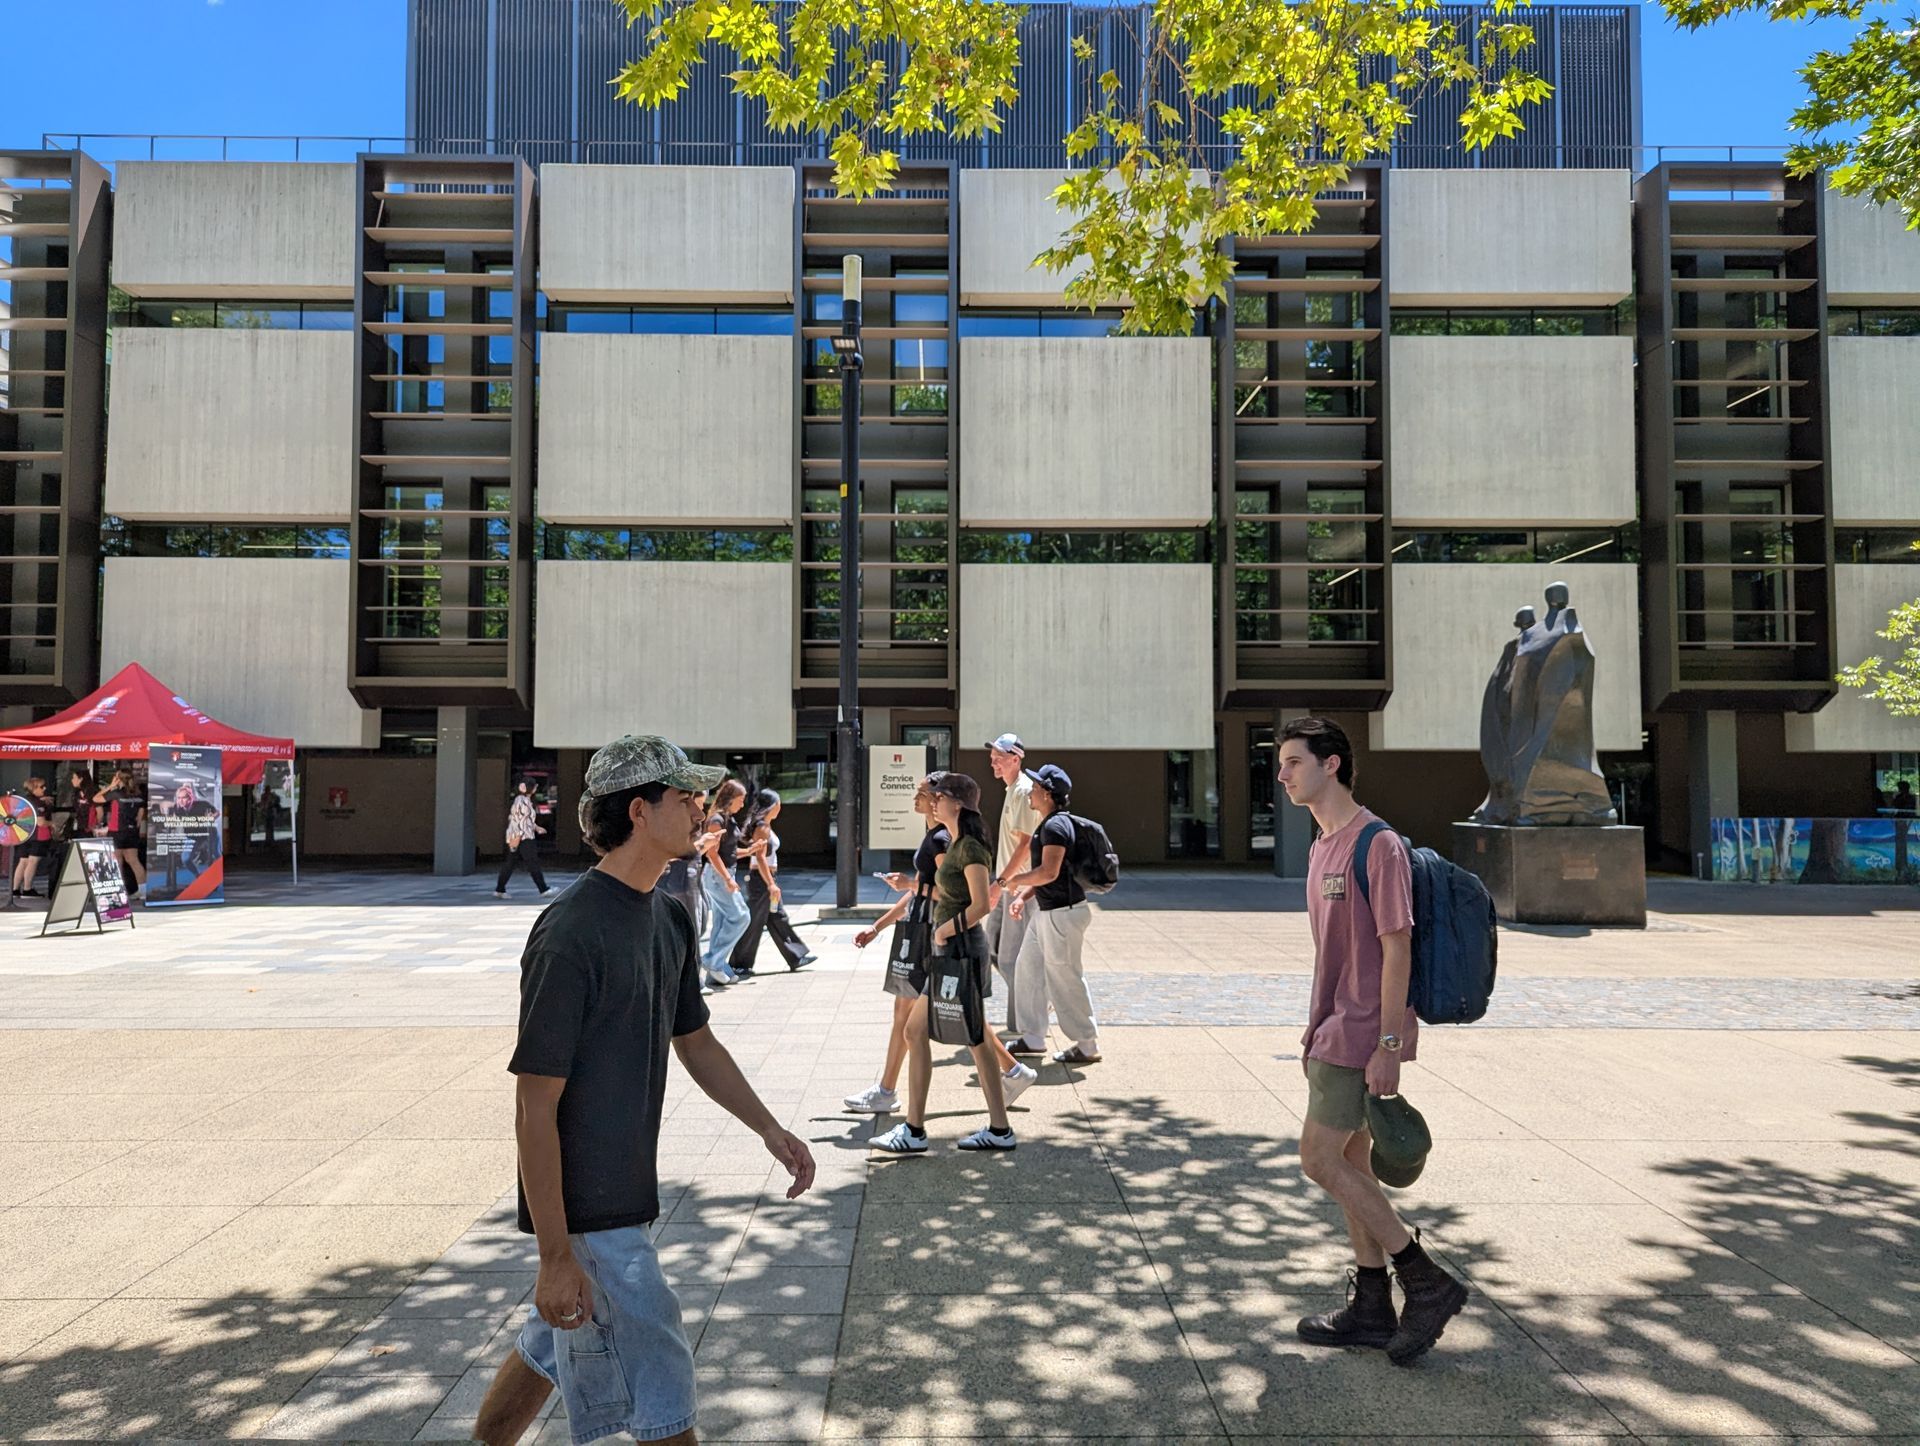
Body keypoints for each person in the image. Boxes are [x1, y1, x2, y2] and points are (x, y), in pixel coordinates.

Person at [472, 735, 816, 1446]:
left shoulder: (668, 916)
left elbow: (697, 1043)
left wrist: (769, 1128)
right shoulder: (569, 932)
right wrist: (555, 1255)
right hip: (589, 1212)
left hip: (624, 1192)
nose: (702, 813)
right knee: (664, 1392)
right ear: (638, 810)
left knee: (549, 1346)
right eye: (687, 799)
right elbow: (534, 1106)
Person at [1277, 715, 1468, 1367]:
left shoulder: (1376, 844)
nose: (1283, 775)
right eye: (1281, 763)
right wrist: (1314, 1028)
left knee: (1318, 1159)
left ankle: (1426, 1281)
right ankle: (1371, 1306)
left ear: (1331, 764)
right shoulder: (1320, 847)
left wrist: (1389, 1044)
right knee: (1353, 1164)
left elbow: (1397, 948)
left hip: (1361, 1031)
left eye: (1294, 762)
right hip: (1331, 1028)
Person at [848, 778, 1036, 1115]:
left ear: (953, 802)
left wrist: (938, 925)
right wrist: (880, 924)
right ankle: (1007, 1082)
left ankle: (897, 1100)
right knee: (934, 1020)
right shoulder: (944, 838)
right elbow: (926, 890)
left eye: (929, 794)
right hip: (934, 931)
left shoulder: (949, 842)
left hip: (939, 933)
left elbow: (955, 896)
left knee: (937, 1020)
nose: (924, 800)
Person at [1004, 764, 1101, 1066]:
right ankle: (1033, 1037)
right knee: (1028, 968)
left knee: (1065, 977)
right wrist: (1023, 896)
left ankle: (1087, 1044)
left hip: (1062, 914)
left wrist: (1014, 880)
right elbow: (1052, 876)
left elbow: (1049, 872)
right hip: (1049, 911)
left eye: (1035, 787)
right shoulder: (1050, 824)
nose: (1030, 792)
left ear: (1047, 793)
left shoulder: (1055, 827)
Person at [981, 733, 1039, 1036]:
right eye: (992, 757)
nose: (993, 762)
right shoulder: (1012, 789)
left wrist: (1001, 882)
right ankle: (1036, 1004)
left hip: (1018, 890)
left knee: (1010, 958)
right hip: (1006, 887)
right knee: (991, 950)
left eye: (999, 757)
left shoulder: (1023, 791)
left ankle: (1025, 1025)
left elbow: (1025, 845)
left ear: (1016, 759)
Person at [729, 790, 816, 975]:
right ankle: (739, 963)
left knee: (777, 917)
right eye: (778, 804)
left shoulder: (765, 825)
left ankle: (796, 956)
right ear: (772, 806)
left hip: (765, 877)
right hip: (762, 879)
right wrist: (770, 884)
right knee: (755, 921)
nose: (780, 808)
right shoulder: (762, 827)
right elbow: (760, 857)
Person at [697, 779, 752, 988]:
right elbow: (711, 853)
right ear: (730, 798)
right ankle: (713, 960)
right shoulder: (716, 819)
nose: (742, 804)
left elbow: (728, 850)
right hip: (717, 875)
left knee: (721, 922)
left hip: (723, 873)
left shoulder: (727, 818)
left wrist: (749, 851)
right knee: (741, 916)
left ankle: (717, 968)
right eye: (740, 799)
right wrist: (728, 879)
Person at [494, 779, 552, 899]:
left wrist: (536, 828)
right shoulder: (522, 801)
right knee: (532, 862)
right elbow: (520, 821)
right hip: (523, 836)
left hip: (520, 835)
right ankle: (543, 889)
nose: (536, 788)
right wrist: (518, 837)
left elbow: (526, 820)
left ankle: (500, 889)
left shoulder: (523, 800)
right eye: (534, 786)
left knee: (511, 863)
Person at [93, 769, 147, 898]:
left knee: (117, 862)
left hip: (117, 831)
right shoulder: (139, 795)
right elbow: (139, 818)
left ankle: (120, 892)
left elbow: (95, 798)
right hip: (132, 831)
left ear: (118, 779)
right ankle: (143, 891)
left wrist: (110, 786)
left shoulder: (116, 794)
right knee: (134, 861)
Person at [12, 776, 53, 897]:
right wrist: (53, 823)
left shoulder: (23, 800)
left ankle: (15, 889)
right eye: (41, 787)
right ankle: (27, 889)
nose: (44, 788)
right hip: (38, 836)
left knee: (23, 861)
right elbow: (41, 822)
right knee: (33, 861)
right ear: (33, 788)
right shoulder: (39, 803)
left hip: (24, 835)